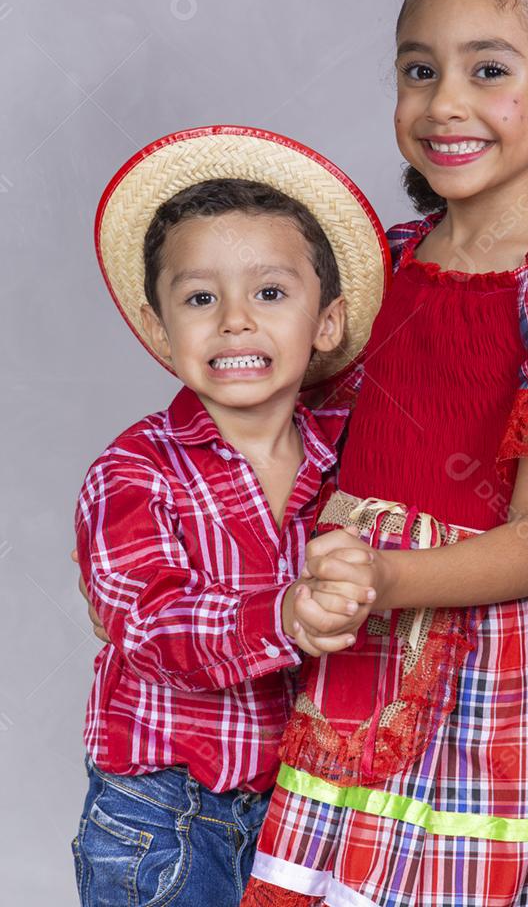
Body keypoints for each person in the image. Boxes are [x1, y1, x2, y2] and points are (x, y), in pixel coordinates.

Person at [240, 0, 528, 907]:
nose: (444, 102)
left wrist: (383, 576)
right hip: (346, 662)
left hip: (480, 691)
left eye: (489, 69)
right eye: (418, 68)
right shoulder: (372, 261)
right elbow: (281, 441)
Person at [71, 126, 390, 906]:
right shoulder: (134, 470)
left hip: (299, 815)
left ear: (327, 323)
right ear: (158, 327)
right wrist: (282, 613)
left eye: (271, 293)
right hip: (162, 816)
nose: (236, 321)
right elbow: (146, 623)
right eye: (201, 297)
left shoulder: (347, 461)